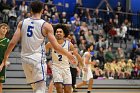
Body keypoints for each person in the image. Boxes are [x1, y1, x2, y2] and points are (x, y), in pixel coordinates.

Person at [0, 1, 75, 93]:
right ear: (42, 11)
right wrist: (68, 55)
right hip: (37, 59)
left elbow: (12, 43)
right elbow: (56, 46)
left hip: (25, 60)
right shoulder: (46, 26)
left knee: (35, 87)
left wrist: (6, 57)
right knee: (40, 88)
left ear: (31, 10)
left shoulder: (22, 23)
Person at [45, 24, 83, 93]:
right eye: (57, 32)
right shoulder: (50, 44)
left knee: (68, 90)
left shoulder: (69, 44)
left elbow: (77, 55)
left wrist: (82, 65)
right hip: (56, 68)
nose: (58, 33)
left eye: (60, 32)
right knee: (59, 89)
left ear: (64, 34)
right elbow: (43, 52)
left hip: (66, 68)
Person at [0, 23, 10, 93]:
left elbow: (6, 55)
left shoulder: (7, 41)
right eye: (3, 28)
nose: (5, 30)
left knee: (0, 84)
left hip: (1, 65)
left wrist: (2, 65)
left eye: (6, 29)